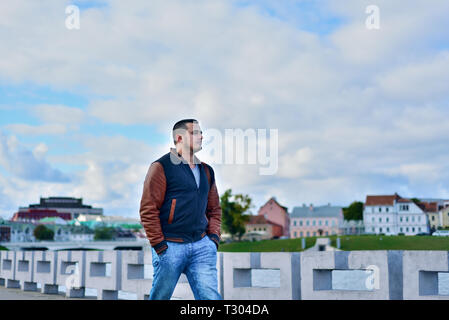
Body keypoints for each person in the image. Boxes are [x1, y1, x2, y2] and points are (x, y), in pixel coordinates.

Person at [139, 119, 222, 300]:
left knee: (210, 297)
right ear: (179, 138)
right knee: (161, 297)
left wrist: (213, 239)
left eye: (201, 132)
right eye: (195, 133)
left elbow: (214, 209)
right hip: (170, 246)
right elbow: (148, 209)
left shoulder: (207, 171)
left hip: (201, 246)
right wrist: (160, 245)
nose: (201, 136)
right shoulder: (161, 167)